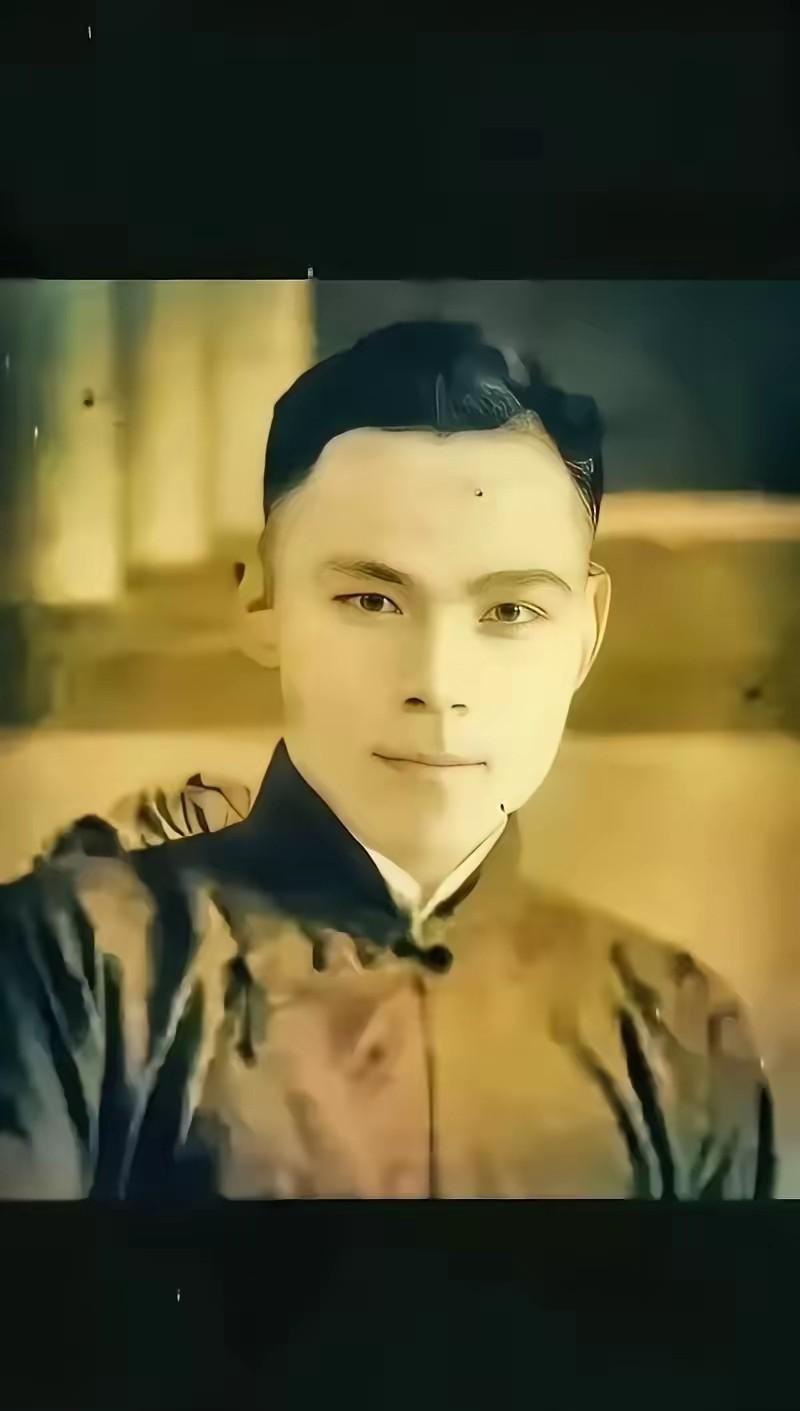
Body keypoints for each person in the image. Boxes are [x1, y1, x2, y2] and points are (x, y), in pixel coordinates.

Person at [0, 321, 775, 1200]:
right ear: (262, 605)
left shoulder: (676, 1027)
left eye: (510, 612)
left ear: (586, 633)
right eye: (371, 600)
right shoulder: (74, 970)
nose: (438, 686)